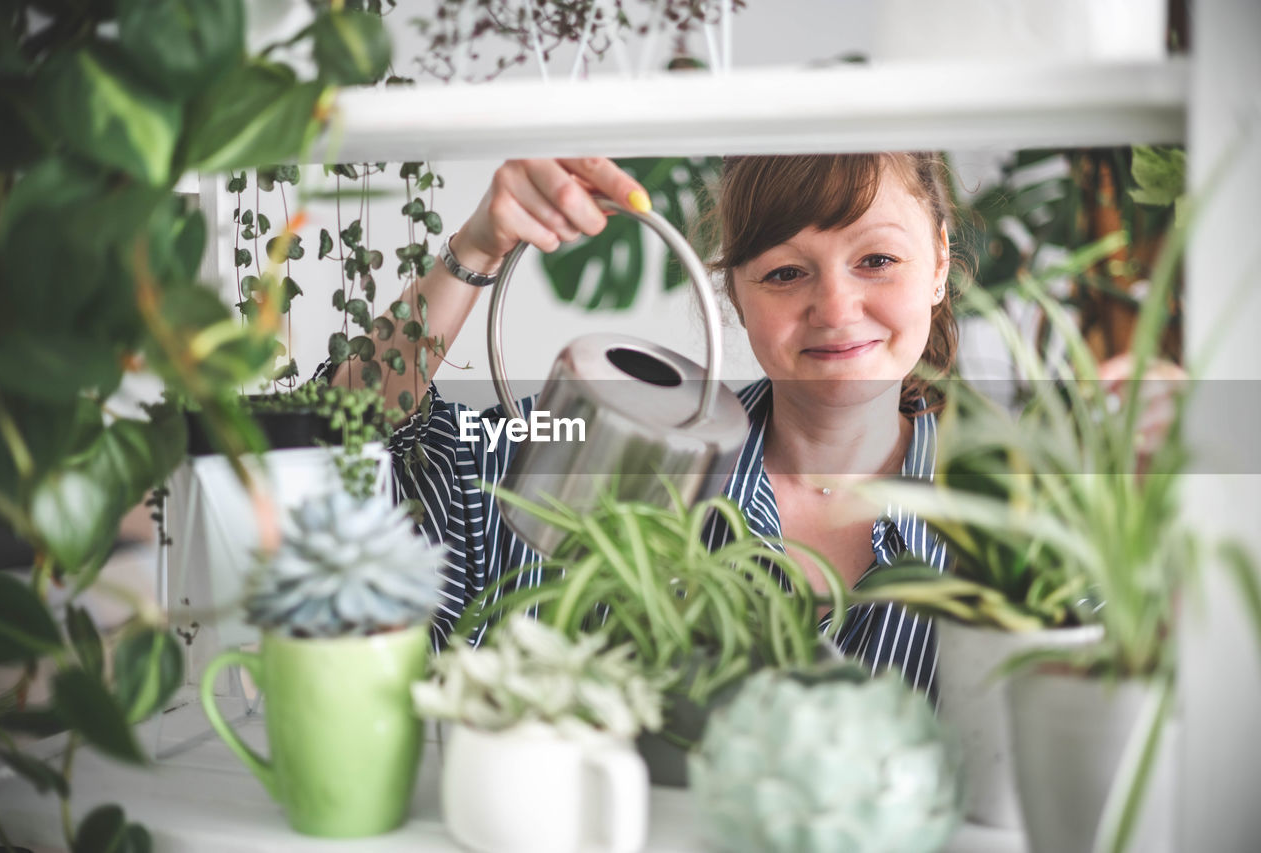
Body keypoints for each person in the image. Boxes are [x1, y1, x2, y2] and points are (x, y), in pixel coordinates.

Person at [327, 152, 958, 693]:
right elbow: (342, 442)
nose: (836, 308)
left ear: (938, 262)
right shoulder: (590, 460)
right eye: (786, 272)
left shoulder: (1023, 519)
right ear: (736, 296)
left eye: (877, 259)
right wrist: (476, 249)